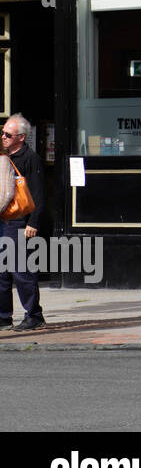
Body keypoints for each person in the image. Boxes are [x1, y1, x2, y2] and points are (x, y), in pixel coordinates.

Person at [0, 114, 45, 331]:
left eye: (8, 134)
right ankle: (3, 316)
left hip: (19, 221)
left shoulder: (30, 158)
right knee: (2, 271)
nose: (3, 137)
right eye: (3, 133)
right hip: (3, 221)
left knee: (20, 270)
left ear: (21, 137)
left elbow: (38, 194)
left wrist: (33, 222)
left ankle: (34, 314)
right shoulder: (4, 157)